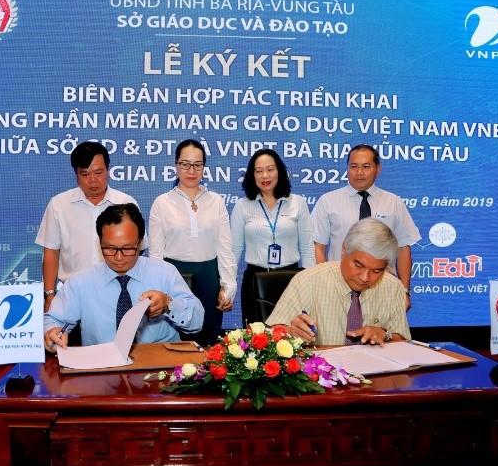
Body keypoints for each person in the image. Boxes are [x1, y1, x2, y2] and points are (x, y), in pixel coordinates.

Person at [43, 203, 204, 350]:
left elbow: (197, 322)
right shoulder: (80, 283)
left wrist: (168, 304)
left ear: (140, 242)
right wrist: (52, 333)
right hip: (101, 366)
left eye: (127, 249)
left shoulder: (164, 273)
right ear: (100, 243)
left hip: (159, 364)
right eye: (110, 248)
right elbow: (52, 321)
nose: (119, 258)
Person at [266, 217, 411, 346]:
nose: (364, 277)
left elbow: (403, 341)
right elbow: (271, 333)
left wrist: (385, 334)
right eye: (358, 265)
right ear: (344, 250)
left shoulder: (393, 287)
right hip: (321, 366)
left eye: (376, 271)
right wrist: (291, 332)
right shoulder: (308, 280)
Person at [148, 139, 237, 347]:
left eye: (197, 165)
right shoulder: (162, 203)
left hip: (209, 277)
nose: (191, 171)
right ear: (176, 165)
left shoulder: (216, 201)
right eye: (185, 164)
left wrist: (228, 286)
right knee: (175, 346)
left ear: (204, 167)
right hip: (174, 278)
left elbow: (225, 248)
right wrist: (160, 290)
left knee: (208, 346)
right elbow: (155, 255)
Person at [35, 142, 142, 313]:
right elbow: (51, 252)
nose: (92, 180)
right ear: (76, 174)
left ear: (108, 170)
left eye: (98, 173)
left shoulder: (126, 203)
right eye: (85, 174)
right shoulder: (59, 204)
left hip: (117, 294)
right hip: (71, 295)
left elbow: (138, 250)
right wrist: (49, 295)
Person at [311, 143, 420, 308]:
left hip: (383, 288)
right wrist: (325, 284)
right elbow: (317, 247)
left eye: (366, 167)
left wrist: (404, 290)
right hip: (339, 288)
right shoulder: (328, 201)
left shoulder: (394, 203)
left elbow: (403, 248)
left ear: (378, 169)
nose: (359, 172)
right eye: (353, 166)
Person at [230, 149, 315, 325]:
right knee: (255, 336)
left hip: (291, 280)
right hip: (255, 279)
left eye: (270, 169)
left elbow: (307, 248)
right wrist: (228, 285)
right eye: (259, 171)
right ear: (252, 175)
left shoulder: (297, 203)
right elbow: (234, 250)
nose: (265, 176)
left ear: (279, 171)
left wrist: (309, 285)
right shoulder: (242, 206)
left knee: (291, 335)